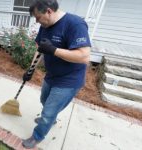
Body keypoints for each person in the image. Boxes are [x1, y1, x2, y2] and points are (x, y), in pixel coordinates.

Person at [21, 0, 91, 148]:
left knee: (48, 111)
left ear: (48, 11)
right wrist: (30, 70)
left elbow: (84, 56)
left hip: (69, 80)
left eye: (38, 17)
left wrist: (53, 50)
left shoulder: (75, 24)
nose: (37, 21)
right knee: (44, 100)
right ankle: (50, 119)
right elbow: (40, 48)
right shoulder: (45, 25)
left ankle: (37, 136)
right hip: (51, 75)